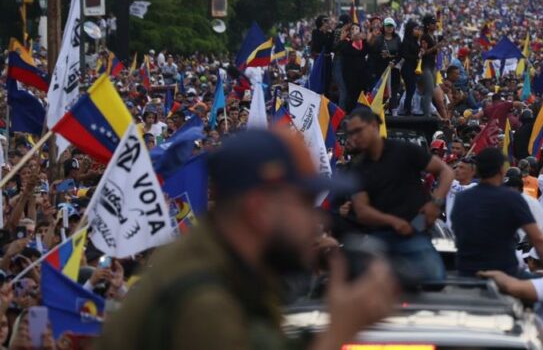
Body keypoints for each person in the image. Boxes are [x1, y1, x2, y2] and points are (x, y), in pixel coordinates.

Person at [98, 128, 397, 350]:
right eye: (304, 202)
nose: (316, 219)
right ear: (258, 209)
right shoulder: (203, 302)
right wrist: (337, 333)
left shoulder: (226, 272)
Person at [344, 106, 454, 283]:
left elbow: (446, 172)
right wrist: (393, 222)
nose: (354, 137)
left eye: (358, 131)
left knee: (435, 281)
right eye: (350, 133)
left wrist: (435, 202)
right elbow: (362, 211)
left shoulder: (404, 151)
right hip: (378, 239)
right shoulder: (357, 168)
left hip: (414, 234)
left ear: (373, 125)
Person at [449, 148, 543, 277]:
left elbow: (457, 231)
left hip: (466, 271)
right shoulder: (513, 198)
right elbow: (538, 238)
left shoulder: (462, 198)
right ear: (501, 170)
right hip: (505, 272)